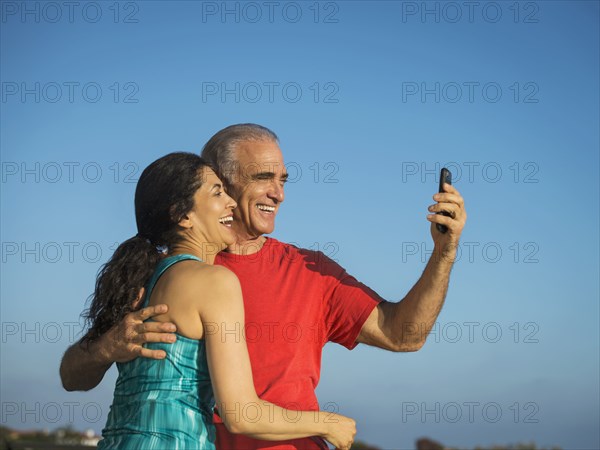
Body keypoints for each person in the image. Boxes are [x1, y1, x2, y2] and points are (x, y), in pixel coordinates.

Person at [60, 124, 467, 450]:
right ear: (217, 183)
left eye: (283, 179)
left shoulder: (312, 270)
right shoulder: (159, 271)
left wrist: (443, 255)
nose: (280, 193)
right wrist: (103, 348)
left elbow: (404, 335)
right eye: (263, 177)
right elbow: (72, 375)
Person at [83, 152, 356, 450]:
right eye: (217, 192)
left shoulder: (137, 278)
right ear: (183, 215)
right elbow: (241, 415)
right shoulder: (214, 281)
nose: (231, 202)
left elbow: (70, 377)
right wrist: (328, 423)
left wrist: (102, 349)